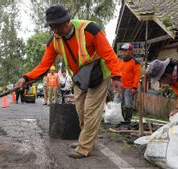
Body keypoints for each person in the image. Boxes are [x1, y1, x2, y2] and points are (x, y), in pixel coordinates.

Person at [16, 4, 122, 158]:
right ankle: (87, 139)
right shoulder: (54, 41)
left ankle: (84, 147)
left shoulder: (90, 30)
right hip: (80, 78)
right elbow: (44, 65)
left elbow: (109, 54)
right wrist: (26, 77)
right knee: (80, 110)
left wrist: (117, 76)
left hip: (99, 75)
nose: (56, 31)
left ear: (68, 21)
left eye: (58, 26)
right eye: (52, 27)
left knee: (90, 110)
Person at [114, 43, 141, 124]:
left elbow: (137, 76)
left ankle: (127, 120)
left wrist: (134, 87)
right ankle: (120, 119)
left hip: (129, 88)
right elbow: (116, 73)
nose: (123, 53)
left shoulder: (135, 62)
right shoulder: (119, 61)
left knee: (128, 104)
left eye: (125, 51)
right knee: (117, 103)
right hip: (119, 87)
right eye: (122, 51)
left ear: (130, 51)